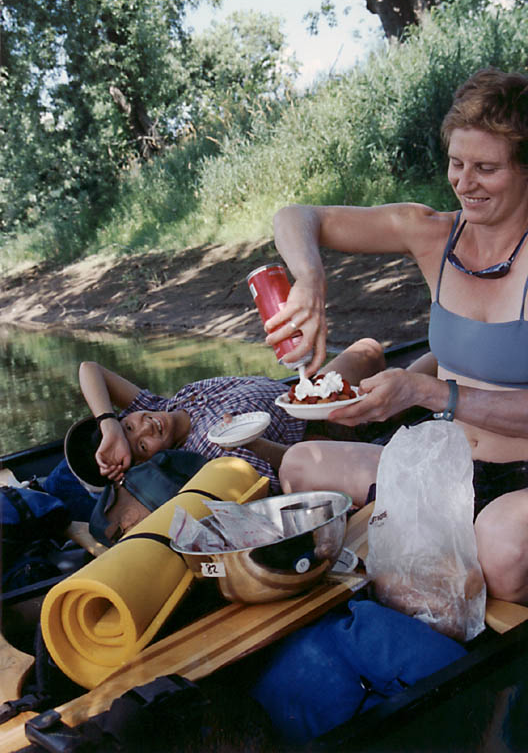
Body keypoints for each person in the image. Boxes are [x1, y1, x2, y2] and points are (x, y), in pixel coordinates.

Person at [266, 67, 528, 604]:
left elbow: (436, 391)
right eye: (456, 163)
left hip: (520, 481)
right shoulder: (433, 233)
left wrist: (431, 392)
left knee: (499, 547)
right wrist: (311, 280)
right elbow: (296, 216)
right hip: (447, 462)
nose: (464, 182)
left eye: (486, 168)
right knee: (300, 467)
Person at [77, 340, 384, 496]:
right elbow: (286, 472)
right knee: (388, 394)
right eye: (142, 446)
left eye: (130, 425)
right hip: (317, 424)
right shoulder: (205, 451)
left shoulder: (165, 404)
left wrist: (109, 425)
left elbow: (90, 368)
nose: (147, 427)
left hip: (306, 391)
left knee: (369, 349)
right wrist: (248, 441)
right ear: (154, 461)